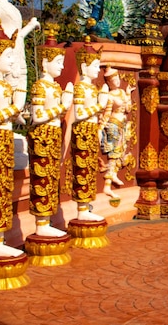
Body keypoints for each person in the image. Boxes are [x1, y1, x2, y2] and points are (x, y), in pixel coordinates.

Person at [28, 30, 74, 237]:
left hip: (53, 135)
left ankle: (46, 221)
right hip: (43, 136)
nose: (62, 67)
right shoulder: (40, 87)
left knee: (52, 177)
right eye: (58, 62)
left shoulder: (55, 87)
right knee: (42, 178)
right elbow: (37, 116)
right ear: (45, 63)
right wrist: (62, 106)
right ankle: (41, 223)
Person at [0, 18, 25, 257]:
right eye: (9, 56)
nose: (12, 61)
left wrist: (18, 112)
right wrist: (14, 109)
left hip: (4, 141)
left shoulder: (5, 87)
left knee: (3, 189)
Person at [71, 38, 109, 221]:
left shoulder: (92, 89)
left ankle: (85, 207)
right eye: (95, 65)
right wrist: (99, 105)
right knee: (82, 169)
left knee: (89, 169)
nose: (98, 69)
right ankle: (82, 208)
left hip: (91, 130)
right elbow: (79, 113)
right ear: (84, 67)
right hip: (83, 131)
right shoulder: (81, 89)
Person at [99, 67, 135, 200]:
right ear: (109, 82)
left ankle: (110, 181)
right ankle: (108, 184)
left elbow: (128, 108)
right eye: (114, 79)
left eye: (118, 78)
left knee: (120, 152)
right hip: (113, 125)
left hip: (123, 125)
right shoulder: (109, 96)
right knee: (113, 154)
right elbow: (107, 113)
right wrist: (101, 127)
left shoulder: (121, 92)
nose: (117, 81)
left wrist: (128, 94)